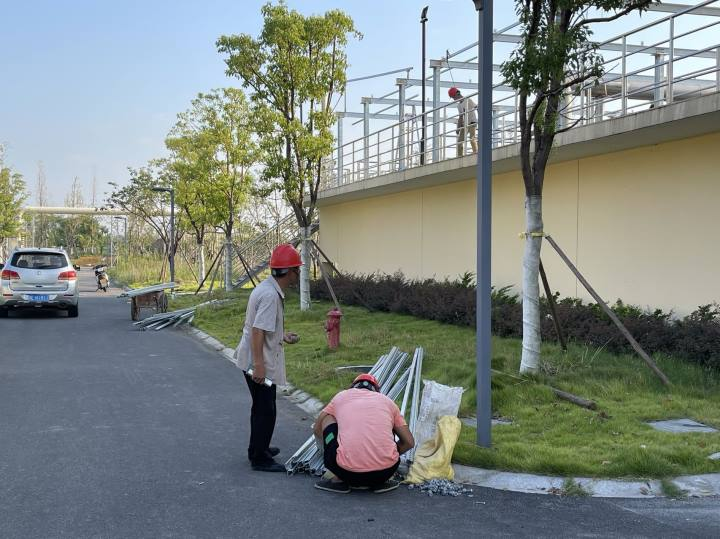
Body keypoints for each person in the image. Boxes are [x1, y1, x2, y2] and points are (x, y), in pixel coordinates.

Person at [235, 243, 302, 472]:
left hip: (253, 358)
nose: (298, 274)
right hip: (257, 361)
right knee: (266, 409)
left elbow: (263, 326)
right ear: (289, 271)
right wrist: (259, 366)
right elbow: (257, 331)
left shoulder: (267, 288)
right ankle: (260, 458)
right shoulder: (271, 295)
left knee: (262, 406)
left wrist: (282, 335)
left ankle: (258, 448)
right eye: (297, 269)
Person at [313, 373, 415, 494]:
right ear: (376, 390)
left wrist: (329, 450)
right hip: (385, 472)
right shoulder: (389, 403)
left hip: (345, 472)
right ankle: (380, 480)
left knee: (327, 418)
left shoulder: (341, 397)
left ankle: (338, 481)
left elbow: (317, 428)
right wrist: (389, 455)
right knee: (389, 426)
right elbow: (409, 442)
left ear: (353, 386)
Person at [449, 86, 478, 156]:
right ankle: (460, 156)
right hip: (465, 123)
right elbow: (461, 117)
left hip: (472, 122)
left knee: (472, 138)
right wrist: (458, 128)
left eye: (453, 97)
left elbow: (477, 107)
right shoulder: (459, 106)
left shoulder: (468, 100)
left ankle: (476, 153)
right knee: (459, 141)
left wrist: (481, 119)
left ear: (457, 94)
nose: (454, 99)